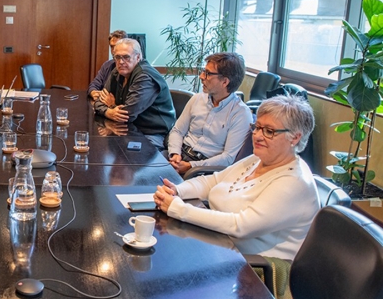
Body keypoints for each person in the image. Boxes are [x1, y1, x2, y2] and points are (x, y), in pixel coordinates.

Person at [154, 95, 319, 260]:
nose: (257, 136)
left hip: (250, 267)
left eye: (269, 131)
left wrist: (180, 210)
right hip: (218, 244)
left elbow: (241, 226)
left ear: (295, 138)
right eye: (257, 127)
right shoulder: (258, 159)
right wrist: (178, 190)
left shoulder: (294, 182)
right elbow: (214, 181)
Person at [167, 52, 252, 175]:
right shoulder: (197, 99)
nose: (201, 76)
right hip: (180, 155)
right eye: (203, 71)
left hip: (204, 168)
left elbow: (228, 158)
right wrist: (175, 154)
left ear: (225, 82)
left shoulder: (240, 114)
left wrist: (191, 166)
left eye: (207, 73)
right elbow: (177, 131)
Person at [92, 38, 175, 150]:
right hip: (127, 129)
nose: (121, 62)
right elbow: (98, 102)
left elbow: (126, 115)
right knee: (101, 147)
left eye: (126, 57)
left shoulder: (145, 76)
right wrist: (108, 111)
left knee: (131, 162)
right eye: (117, 57)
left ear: (138, 57)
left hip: (151, 133)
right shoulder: (117, 71)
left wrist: (112, 105)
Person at [88, 29, 127, 100]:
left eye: (117, 46)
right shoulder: (107, 65)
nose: (113, 50)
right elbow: (94, 84)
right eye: (111, 46)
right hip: (102, 104)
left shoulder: (129, 68)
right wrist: (93, 92)